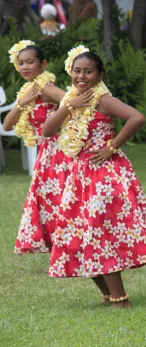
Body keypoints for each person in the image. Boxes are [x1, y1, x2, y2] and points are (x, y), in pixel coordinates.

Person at [43, 46, 146, 308]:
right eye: (77, 71)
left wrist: (111, 147)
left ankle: (120, 298)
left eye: (88, 71)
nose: (82, 76)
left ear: (99, 76)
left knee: (98, 235)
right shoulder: (70, 99)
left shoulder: (102, 100)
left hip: (103, 175)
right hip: (79, 175)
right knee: (75, 235)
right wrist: (69, 105)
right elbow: (47, 130)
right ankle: (108, 294)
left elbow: (137, 118)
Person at [5, 41, 67, 254]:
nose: (25, 67)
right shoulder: (28, 92)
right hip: (45, 153)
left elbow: (71, 102)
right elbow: (7, 124)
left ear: (43, 64)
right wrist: (23, 103)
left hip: (60, 151)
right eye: (21, 63)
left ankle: (71, 241)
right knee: (49, 199)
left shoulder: (46, 87)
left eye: (30, 62)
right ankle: (60, 244)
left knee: (62, 196)